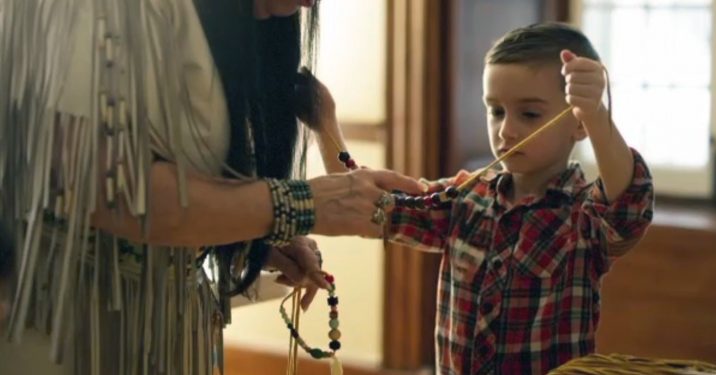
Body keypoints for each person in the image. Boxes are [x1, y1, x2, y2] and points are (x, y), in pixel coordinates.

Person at [0, 0, 423, 374]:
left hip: (173, 334)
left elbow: (182, 184)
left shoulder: (230, 29)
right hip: (69, 328)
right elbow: (107, 190)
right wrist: (295, 204)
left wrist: (251, 237)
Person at [308, 23, 655, 375]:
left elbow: (629, 204)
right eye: (496, 111)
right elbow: (365, 203)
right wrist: (324, 120)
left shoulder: (582, 217)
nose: (506, 131)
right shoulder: (464, 199)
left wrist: (596, 114)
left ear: (577, 126)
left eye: (530, 114)